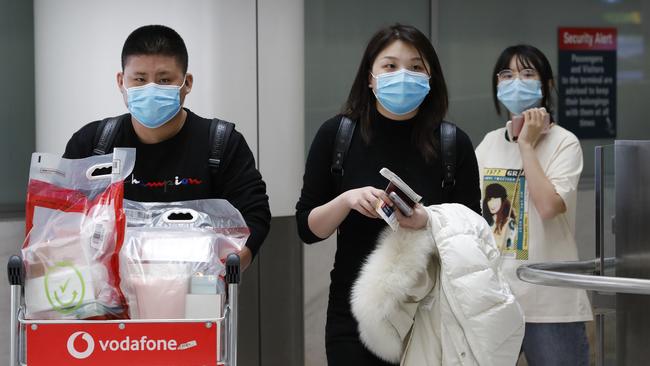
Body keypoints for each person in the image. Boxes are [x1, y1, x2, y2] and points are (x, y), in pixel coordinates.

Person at [295, 24, 481, 365]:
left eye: (415, 66)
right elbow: (308, 229)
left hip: (432, 312)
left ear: (430, 77)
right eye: (390, 66)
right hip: (355, 315)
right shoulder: (338, 136)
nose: (403, 75)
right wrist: (347, 199)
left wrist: (429, 219)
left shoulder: (453, 144)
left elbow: (475, 232)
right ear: (370, 77)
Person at [63, 25, 271, 270]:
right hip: (107, 295)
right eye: (139, 79)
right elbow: (60, 220)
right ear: (121, 81)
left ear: (187, 82)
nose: (151, 88)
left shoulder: (221, 144)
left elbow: (254, 216)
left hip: (196, 295)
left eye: (164, 80)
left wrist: (224, 272)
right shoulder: (92, 145)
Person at [475, 44, 592, 365]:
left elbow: (548, 206)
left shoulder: (564, 142)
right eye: (507, 74)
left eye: (527, 74)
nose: (516, 81)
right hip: (495, 300)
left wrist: (526, 144)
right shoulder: (487, 144)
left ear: (546, 85)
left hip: (551, 301)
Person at [482, 183, 517, 250]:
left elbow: (507, 246)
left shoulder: (509, 222)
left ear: (502, 200)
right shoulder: (488, 220)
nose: (492, 203)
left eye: (495, 199)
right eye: (489, 199)